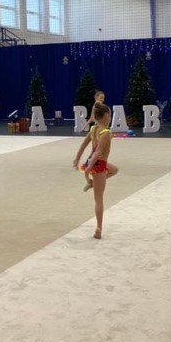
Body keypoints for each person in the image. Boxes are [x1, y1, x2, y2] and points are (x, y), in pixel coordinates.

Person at [73, 103, 118, 240]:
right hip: (98, 164)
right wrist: (88, 168)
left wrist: (77, 159)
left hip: (93, 162)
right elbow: (98, 152)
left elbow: (83, 145)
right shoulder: (106, 133)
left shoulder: (94, 129)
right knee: (99, 199)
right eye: (110, 115)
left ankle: (91, 183)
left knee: (115, 170)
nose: (110, 118)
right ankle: (99, 227)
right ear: (106, 116)